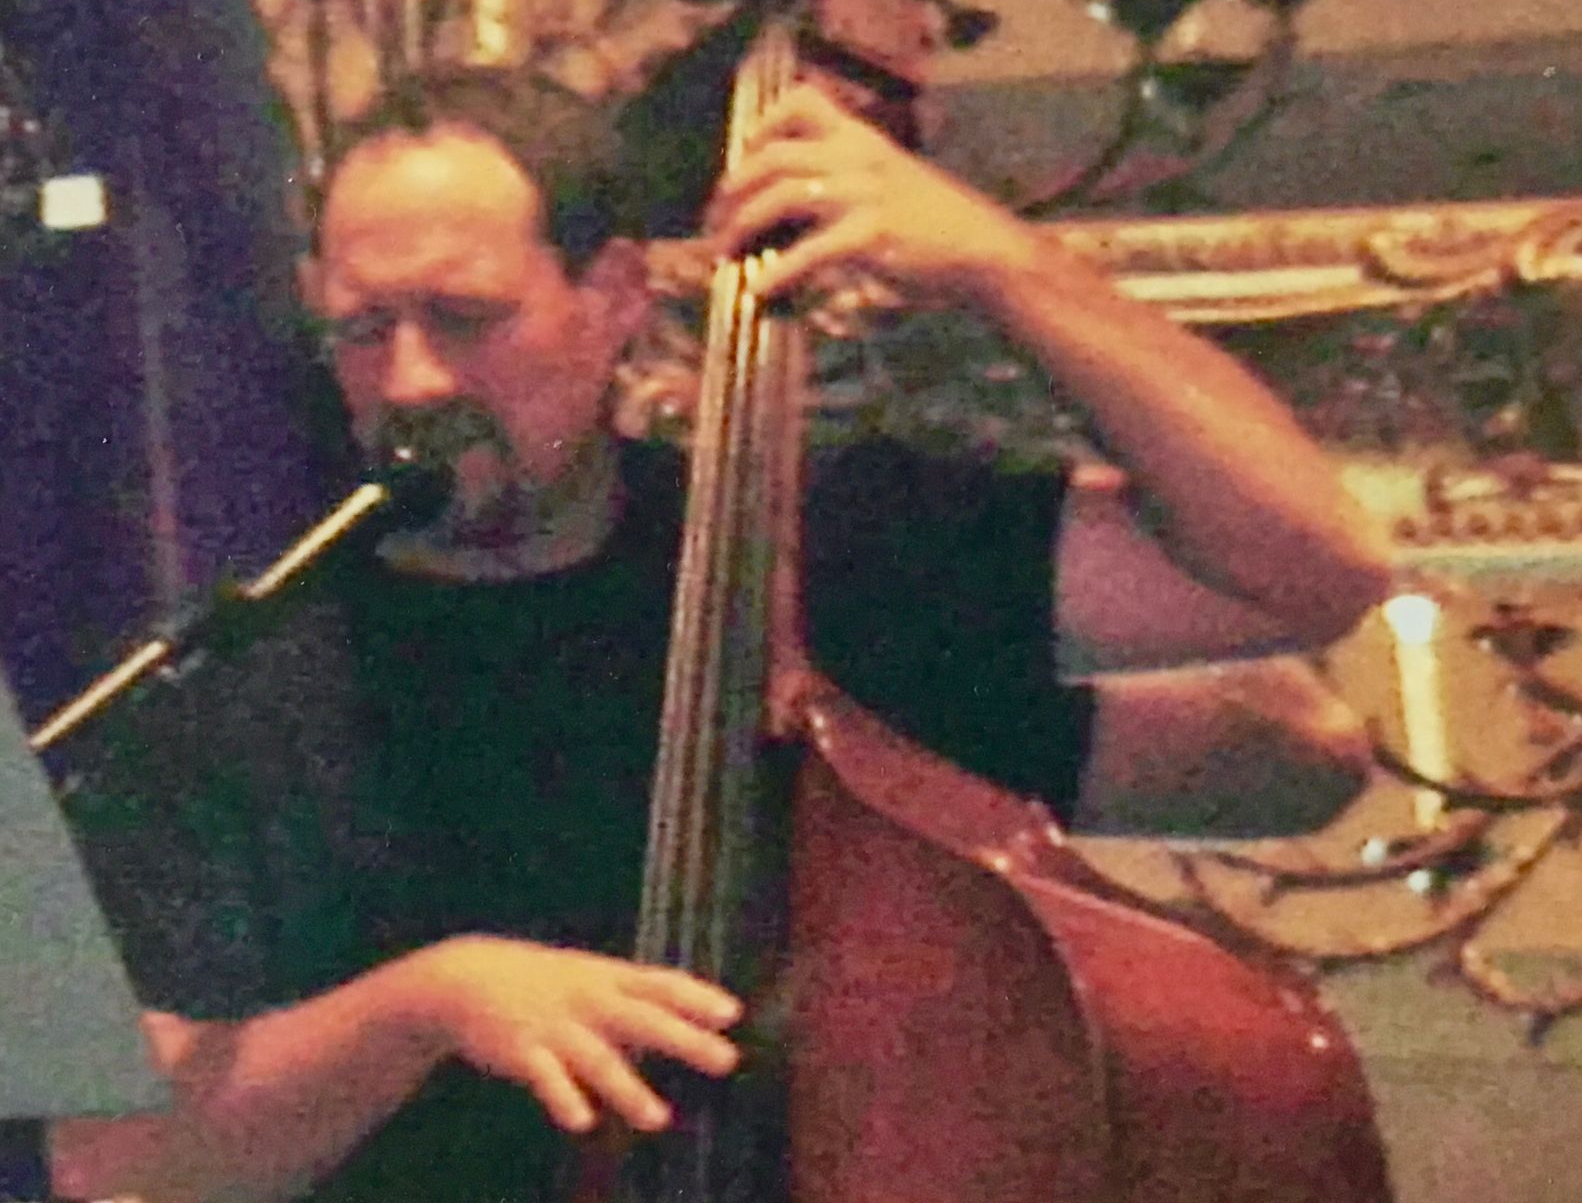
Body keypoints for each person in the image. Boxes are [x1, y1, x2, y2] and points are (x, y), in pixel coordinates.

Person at [47, 68, 1390, 1203]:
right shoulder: (244, 664)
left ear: (615, 296)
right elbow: (106, 1152)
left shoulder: (813, 549)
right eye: (360, 328)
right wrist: (422, 1008)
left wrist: (1005, 267)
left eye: (466, 318)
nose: (410, 380)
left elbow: (1308, 572)